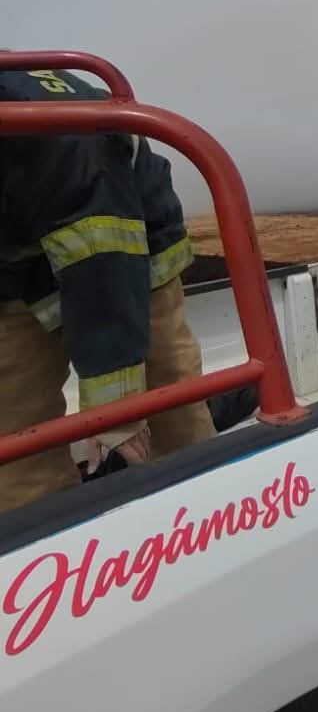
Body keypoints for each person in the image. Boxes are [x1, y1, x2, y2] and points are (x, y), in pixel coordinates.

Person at [0, 63, 215, 510]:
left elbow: (104, 254)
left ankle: (203, 508)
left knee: (171, 401)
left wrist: (115, 412)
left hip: (132, 261)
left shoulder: (45, 125)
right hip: (15, 272)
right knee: (15, 442)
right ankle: (45, 548)